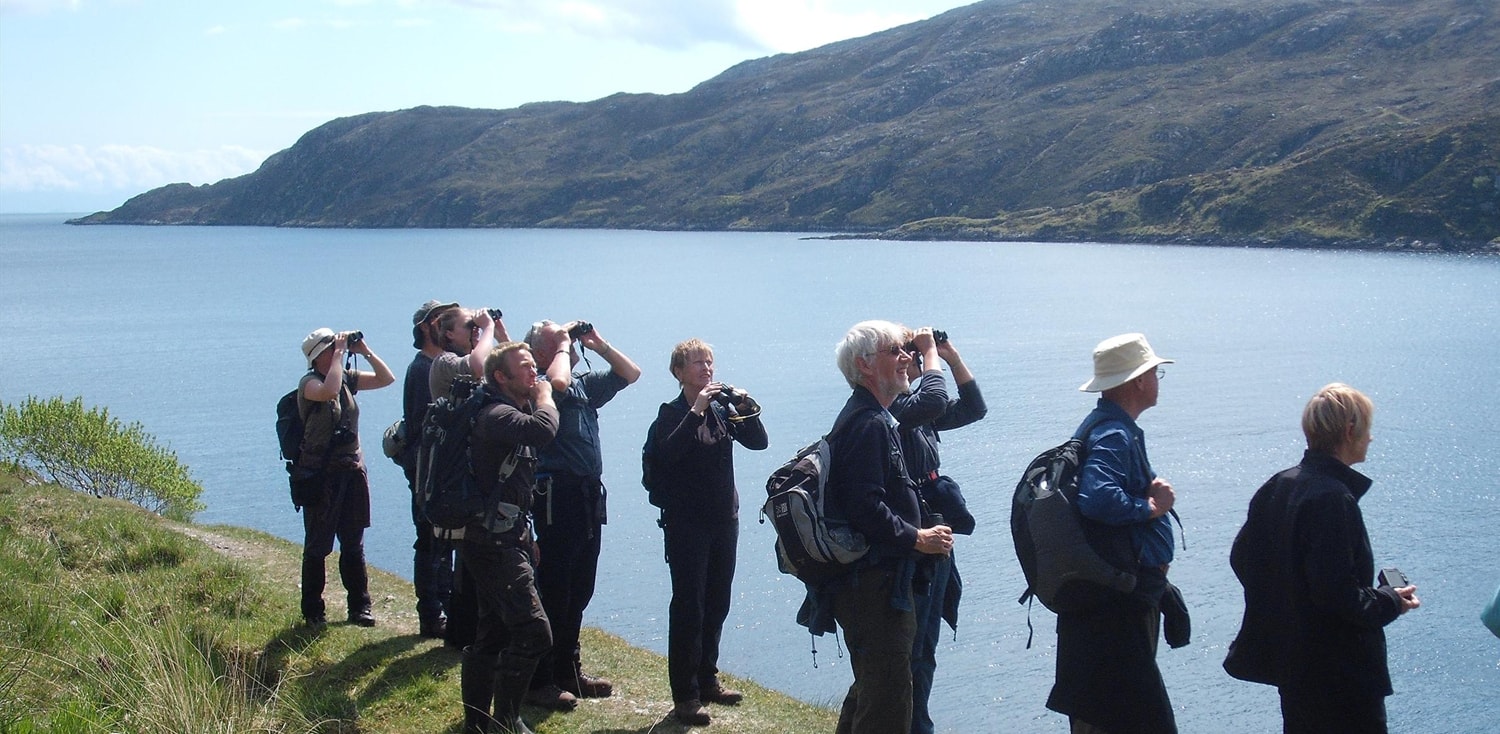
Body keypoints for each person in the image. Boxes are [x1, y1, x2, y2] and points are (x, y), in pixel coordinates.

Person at [1224, 383, 1421, 734]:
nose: (1371, 438)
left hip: (1296, 671)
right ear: (1349, 431)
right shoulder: (1333, 499)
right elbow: (1337, 596)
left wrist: (1289, 603)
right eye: (1367, 429)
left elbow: (1242, 558)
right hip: (1340, 680)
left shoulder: (1280, 485)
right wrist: (1391, 600)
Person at [1046, 332, 1178, 734]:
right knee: (1135, 719)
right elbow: (1097, 498)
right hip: (1119, 607)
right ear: (1137, 381)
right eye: (1155, 372)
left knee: (1106, 712)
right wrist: (1151, 508)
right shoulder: (1114, 433)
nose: (1158, 379)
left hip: (1113, 599)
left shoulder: (1107, 426)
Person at [825, 320, 953, 734]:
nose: (906, 358)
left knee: (873, 688)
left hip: (874, 582)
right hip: (876, 586)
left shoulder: (873, 417)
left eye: (905, 350)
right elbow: (865, 507)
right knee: (890, 700)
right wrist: (918, 537)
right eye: (894, 352)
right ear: (865, 366)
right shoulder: (868, 424)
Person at [646, 338, 768, 726]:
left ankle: (707, 678)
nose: (707, 370)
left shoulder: (720, 410)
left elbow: (759, 442)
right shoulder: (670, 415)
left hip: (723, 520)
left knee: (717, 602)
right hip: (687, 525)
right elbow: (668, 454)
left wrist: (746, 407)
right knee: (689, 607)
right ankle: (685, 696)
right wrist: (697, 409)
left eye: (710, 363)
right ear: (679, 372)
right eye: (698, 363)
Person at [522, 320, 642, 710]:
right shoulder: (538, 383)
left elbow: (630, 373)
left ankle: (568, 671)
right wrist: (560, 344)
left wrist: (598, 343)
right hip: (557, 495)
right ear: (542, 352)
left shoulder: (584, 387)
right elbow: (556, 382)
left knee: (580, 587)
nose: (568, 346)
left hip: (588, 496)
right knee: (554, 587)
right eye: (558, 343)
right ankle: (539, 679)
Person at [457, 342, 560, 734]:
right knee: (534, 633)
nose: (534, 372)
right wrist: (547, 396)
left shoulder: (506, 412)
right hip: (493, 543)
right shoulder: (496, 415)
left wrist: (526, 532)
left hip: (502, 535)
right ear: (501, 377)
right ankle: (505, 721)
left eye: (535, 365)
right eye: (525, 367)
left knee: (494, 631)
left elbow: (513, 485)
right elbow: (542, 431)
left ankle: (478, 724)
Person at [889, 327, 987, 734]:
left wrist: (949, 355)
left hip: (935, 529)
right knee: (908, 648)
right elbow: (930, 399)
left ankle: (917, 723)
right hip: (913, 538)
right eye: (900, 352)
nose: (907, 357)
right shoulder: (897, 407)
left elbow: (974, 407)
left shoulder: (918, 408)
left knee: (924, 646)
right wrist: (928, 353)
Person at [295, 327, 395, 627]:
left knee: (353, 542)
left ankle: (359, 607)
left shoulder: (347, 380)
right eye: (330, 349)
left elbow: (386, 378)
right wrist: (339, 353)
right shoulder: (309, 384)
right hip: (321, 476)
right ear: (318, 357)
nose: (336, 350)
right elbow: (327, 390)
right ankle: (313, 611)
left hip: (351, 471)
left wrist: (364, 351)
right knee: (318, 545)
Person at [428, 305, 507, 648]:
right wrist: (486, 328)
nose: (475, 331)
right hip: (455, 472)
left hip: (476, 470)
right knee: (468, 555)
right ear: (448, 334)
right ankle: (463, 635)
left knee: (475, 556)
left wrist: (498, 331)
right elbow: (479, 365)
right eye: (468, 326)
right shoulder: (443, 363)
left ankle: (469, 634)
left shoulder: (480, 351)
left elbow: (507, 365)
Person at [401, 299, 461, 639]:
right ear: (427, 327)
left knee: (440, 543)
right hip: (427, 471)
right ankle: (431, 614)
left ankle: (444, 610)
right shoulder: (424, 368)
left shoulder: (431, 365)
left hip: (430, 468)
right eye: (439, 319)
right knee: (430, 542)